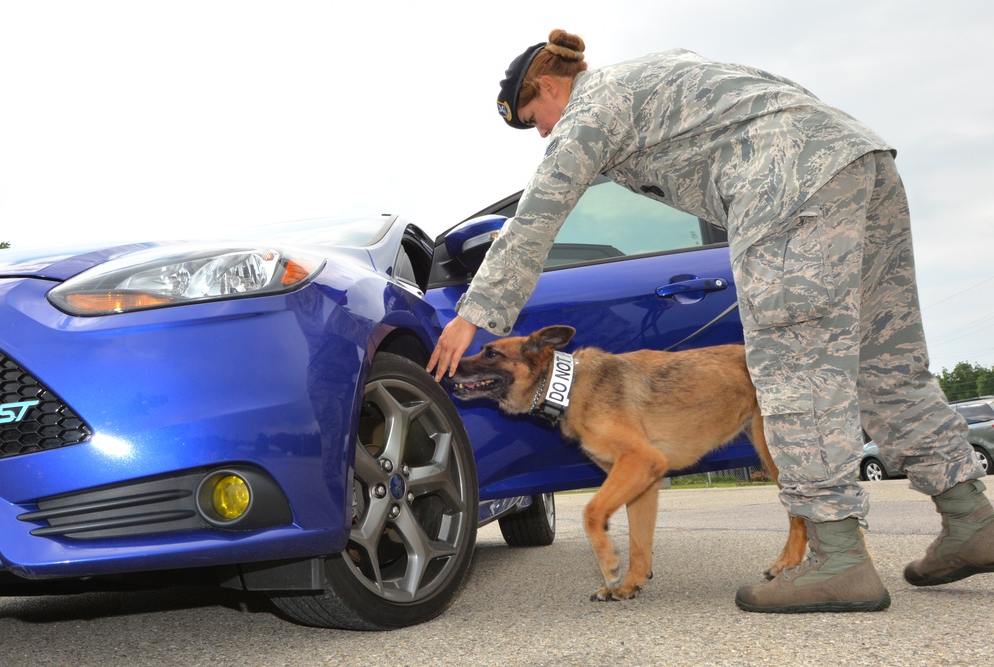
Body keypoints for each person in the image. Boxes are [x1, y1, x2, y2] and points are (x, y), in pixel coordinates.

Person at [426, 29, 994, 613]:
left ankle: (838, 559)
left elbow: (536, 219)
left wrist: (473, 317)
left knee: (792, 373)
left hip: (788, 183)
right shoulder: (658, 72)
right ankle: (970, 516)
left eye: (534, 116)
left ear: (549, 86)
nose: (542, 131)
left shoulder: (591, 108)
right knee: (885, 363)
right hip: (860, 159)